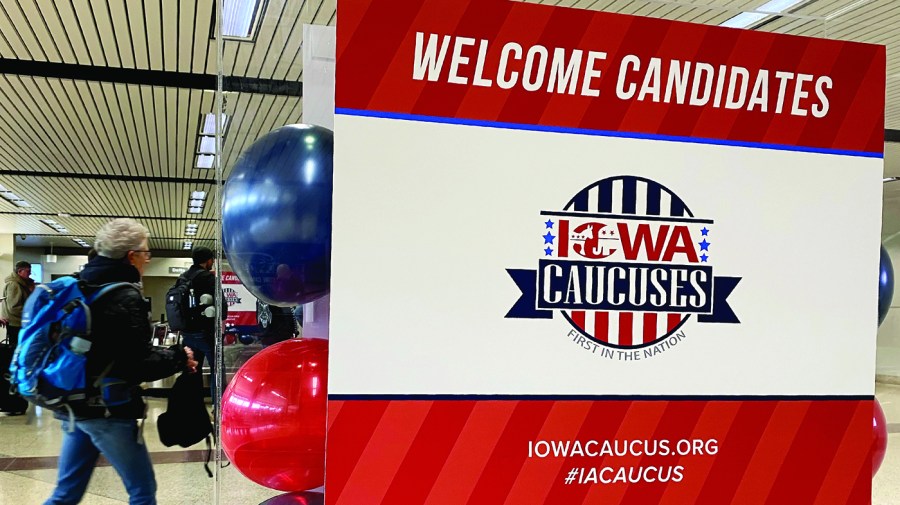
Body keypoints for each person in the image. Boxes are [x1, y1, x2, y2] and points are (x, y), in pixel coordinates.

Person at [44, 218, 198, 505]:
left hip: (73, 402)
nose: (148, 260)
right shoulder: (125, 295)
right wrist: (179, 357)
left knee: (66, 493)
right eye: (146, 254)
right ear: (131, 256)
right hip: (107, 410)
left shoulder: (80, 285)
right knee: (142, 491)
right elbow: (135, 364)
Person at [178, 246, 227, 406]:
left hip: (187, 333)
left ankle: (193, 407)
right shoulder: (208, 278)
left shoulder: (183, 278)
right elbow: (222, 304)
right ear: (208, 261)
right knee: (217, 370)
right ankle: (218, 407)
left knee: (193, 370)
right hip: (206, 333)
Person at [1, 260, 36, 349]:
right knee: (17, 349)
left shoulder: (23, 284)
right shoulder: (14, 285)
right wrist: (31, 313)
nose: (30, 273)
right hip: (16, 324)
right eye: (28, 271)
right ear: (20, 271)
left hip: (19, 322)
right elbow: (14, 307)